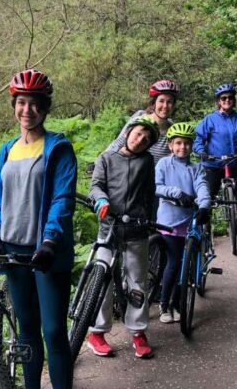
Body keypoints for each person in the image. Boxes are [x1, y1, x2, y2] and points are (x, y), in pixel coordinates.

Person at [0, 69, 76, 389]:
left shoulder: (58, 148)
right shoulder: (7, 150)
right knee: (27, 331)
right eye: (22, 102)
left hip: (46, 252)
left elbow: (62, 199)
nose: (28, 110)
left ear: (45, 108)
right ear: (14, 106)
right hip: (13, 252)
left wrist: (50, 241)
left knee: (53, 332)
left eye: (35, 103)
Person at [87, 116, 158, 359]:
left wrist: (150, 220)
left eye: (146, 139)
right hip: (108, 228)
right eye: (138, 134)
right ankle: (97, 332)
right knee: (102, 278)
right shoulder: (106, 158)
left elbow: (149, 193)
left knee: (137, 281)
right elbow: (96, 185)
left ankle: (138, 332)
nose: (141, 140)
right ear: (128, 133)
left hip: (136, 229)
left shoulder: (146, 161)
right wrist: (101, 199)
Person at [155, 122, 211, 323]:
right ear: (170, 145)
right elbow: (157, 187)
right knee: (173, 263)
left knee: (184, 267)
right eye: (178, 143)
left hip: (189, 223)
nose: (183, 147)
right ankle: (164, 304)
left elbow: (202, 186)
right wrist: (177, 193)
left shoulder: (196, 168)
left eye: (187, 143)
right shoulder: (163, 164)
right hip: (168, 223)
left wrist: (204, 205)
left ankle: (177, 303)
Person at [193, 83, 237, 244]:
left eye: (230, 97)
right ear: (218, 101)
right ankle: (205, 231)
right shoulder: (210, 119)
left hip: (235, 162)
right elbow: (198, 139)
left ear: (234, 100)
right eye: (223, 98)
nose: (227, 100)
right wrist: (201, 151)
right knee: (207, 197)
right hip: (213, 164)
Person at [106, 79, 179, 165]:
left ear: (173, 106)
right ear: (154, 103)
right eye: (161, 101)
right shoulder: (139, 119)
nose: (165, 106)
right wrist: (101, 163)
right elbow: (118, 144)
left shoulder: (174, 131)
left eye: (169, 102)